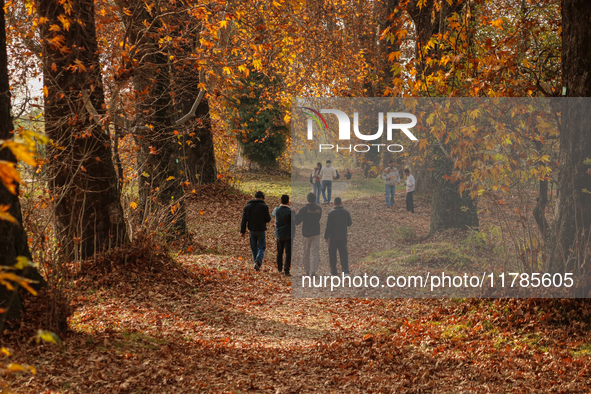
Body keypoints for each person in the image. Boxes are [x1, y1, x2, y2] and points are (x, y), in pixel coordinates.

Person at [240, 191, 271, 271]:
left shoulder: (248, 206)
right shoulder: (264, 206)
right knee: (262, 247)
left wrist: (242, 231)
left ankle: (256, 263)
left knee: (254, 247)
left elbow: (244, 220)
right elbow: (268, 219)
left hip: (252, 229)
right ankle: (258, 261)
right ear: (261, 197)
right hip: (261, 229)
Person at [295, 192, 322, 276]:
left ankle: (306, 270)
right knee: (314, 252)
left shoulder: (304, 209)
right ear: (315, 199)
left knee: (306, 252)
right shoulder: (319, 209)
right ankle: (313, 271)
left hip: (306, 233)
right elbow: (319, 218)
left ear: (307, 199)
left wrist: (294, 215)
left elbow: (297, 221)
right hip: (315, 232)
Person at [324, 197, 352, 275]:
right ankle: (345, 270)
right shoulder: (346, 212)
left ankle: (333, 271)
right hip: (343, 236)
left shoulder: (331, 213)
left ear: (334, 203)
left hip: (333, 237)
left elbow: (328, 226)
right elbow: (349, 223)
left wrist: (326, 236)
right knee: (344, 254)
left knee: (332, 254)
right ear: (341, 203)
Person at [272, 194, 294, 276]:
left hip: (279, 234)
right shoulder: (290, 212)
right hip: (288, 234)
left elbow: (273, 214)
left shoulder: (276, 210)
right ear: (288, 202)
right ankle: (286, 270)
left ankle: (279, 268)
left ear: (281, 201)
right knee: (288, 253)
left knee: (279, 252)